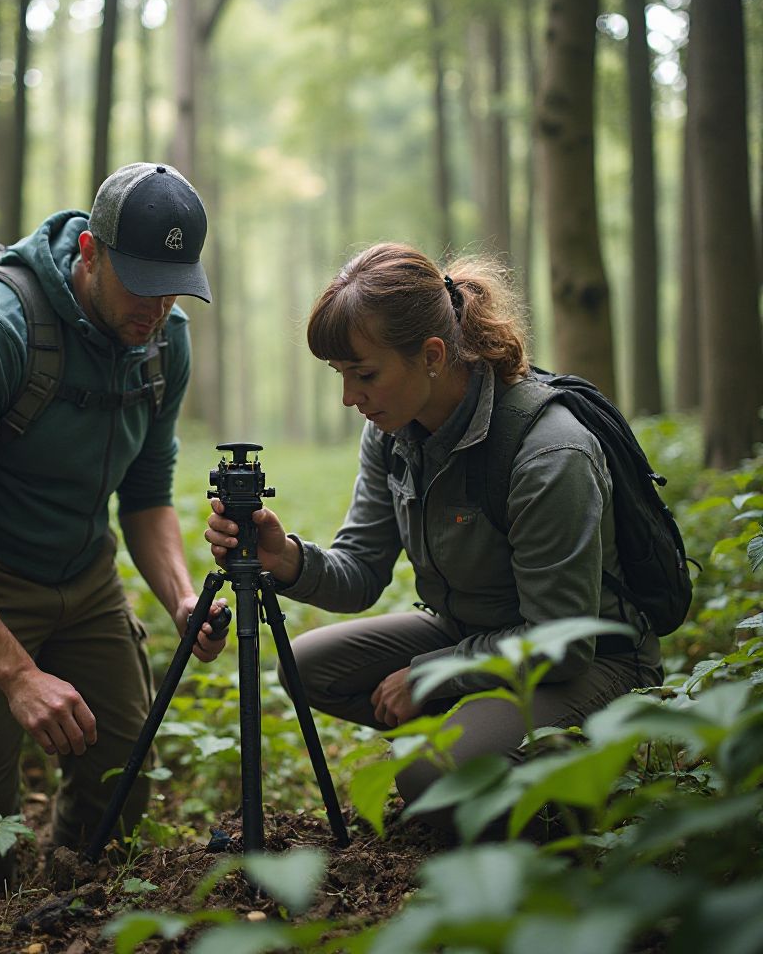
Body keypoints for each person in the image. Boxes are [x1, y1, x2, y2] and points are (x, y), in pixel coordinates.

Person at [205, 241, 662, 837]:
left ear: (432, 355)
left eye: (364, 374)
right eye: (340, 376)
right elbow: (361, 573)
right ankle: (488, 742)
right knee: (309, 666)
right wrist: (285, 558)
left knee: (428, 780)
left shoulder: (547, 454)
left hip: (594, 662)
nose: (350, 398)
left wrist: (433, 674)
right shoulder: (395, 433)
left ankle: (565, 777)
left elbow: (560, 645)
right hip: (474, 631)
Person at [0, 162, 228, 889]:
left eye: (173, 287)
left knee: (120, 804)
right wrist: (16, 673)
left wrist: (181, 597)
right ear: (90, 254)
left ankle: (70, 899)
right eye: (139, 282)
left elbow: (147, 490)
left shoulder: (166, 340)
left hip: (86, 578)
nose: (157, 308)